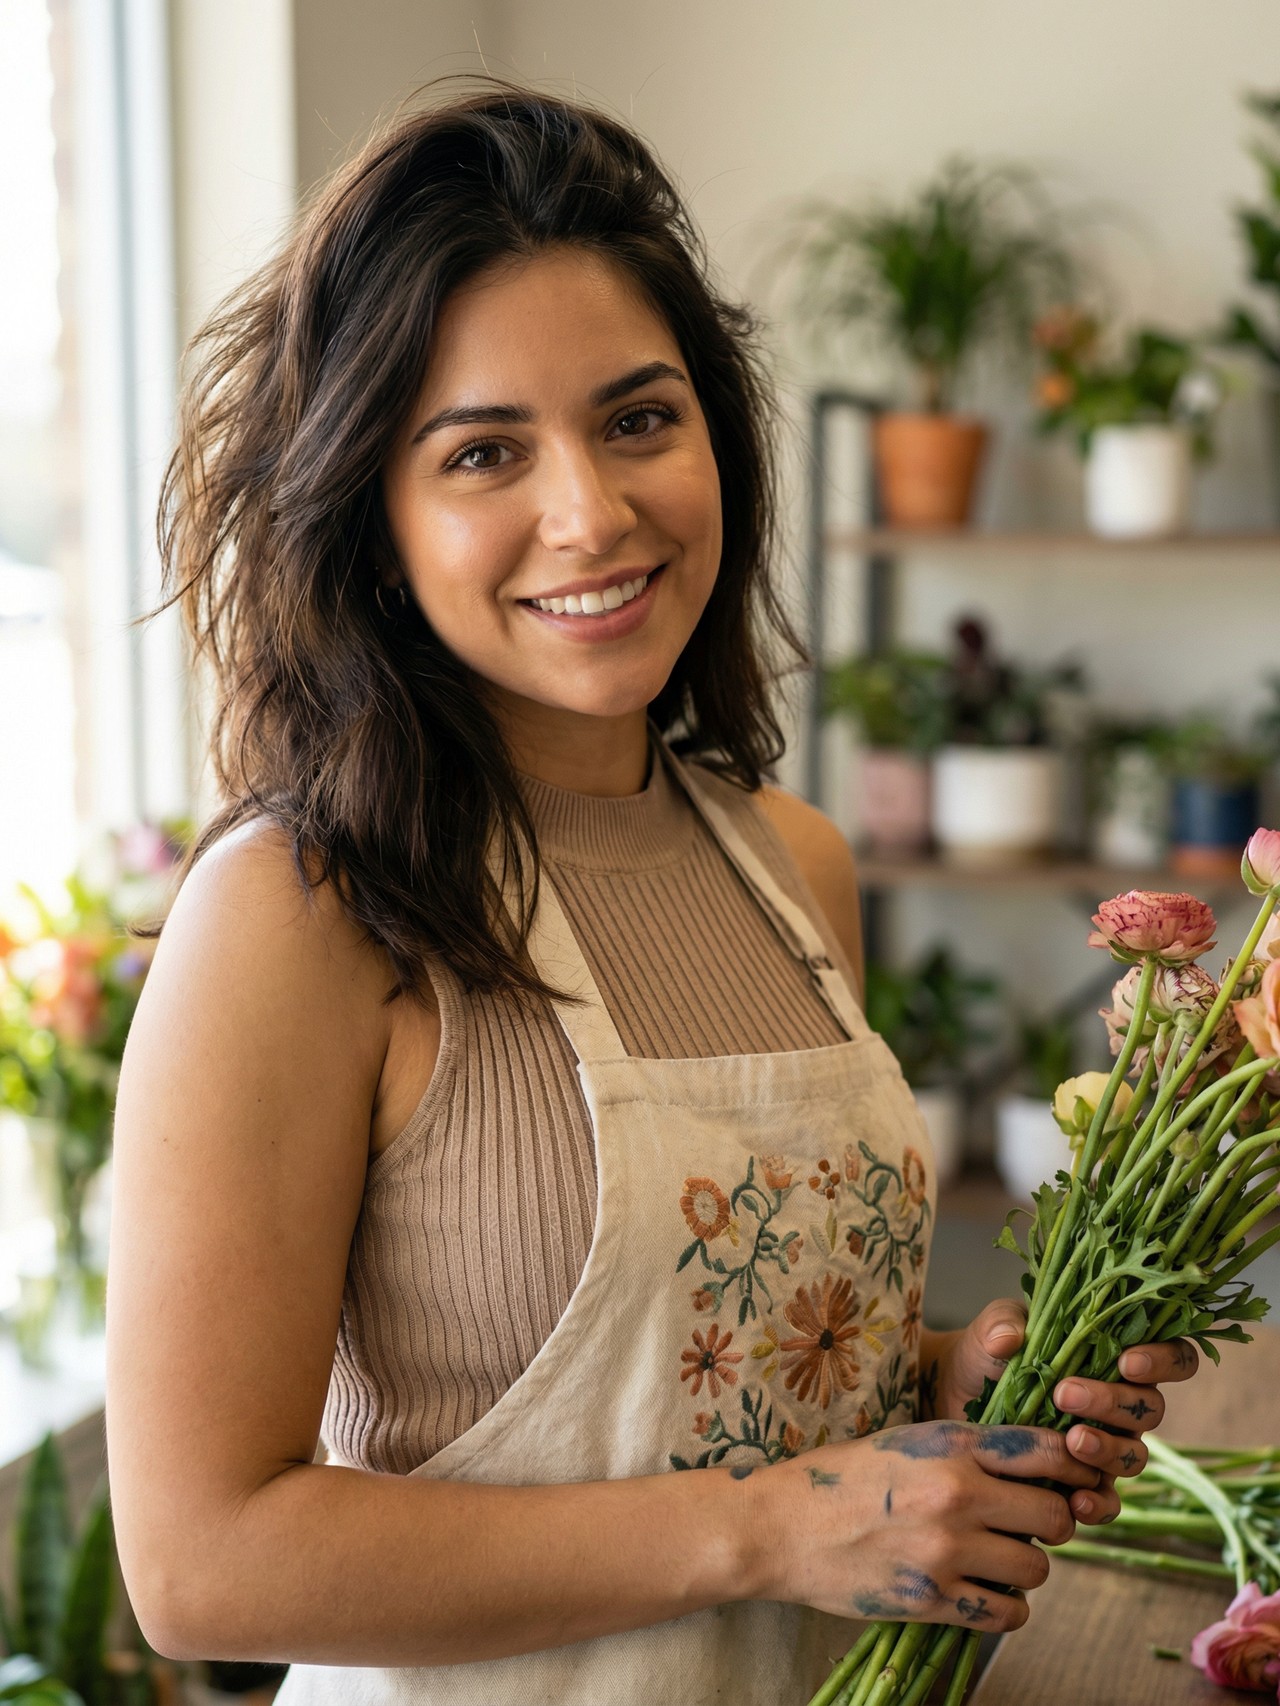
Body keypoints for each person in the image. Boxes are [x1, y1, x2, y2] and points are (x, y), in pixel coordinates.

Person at [105, 79, 1198, 1704]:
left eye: (638, 418)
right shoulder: (300, 910)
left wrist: (956, 1376)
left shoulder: (789, 858)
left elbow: (732, 1367)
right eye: (485, 450)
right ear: (373, 518)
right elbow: (202, 1564)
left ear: (719, 439)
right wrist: (763, 1530)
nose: (593, 513)